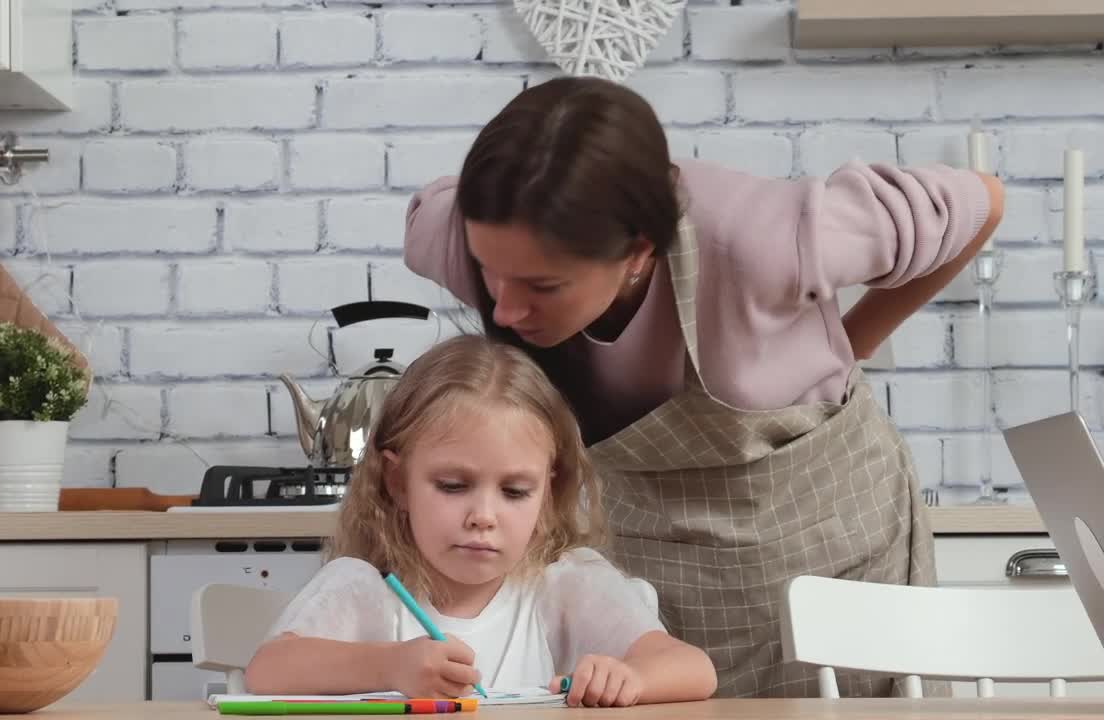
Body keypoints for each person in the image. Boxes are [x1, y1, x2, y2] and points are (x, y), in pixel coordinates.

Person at [401, 76, 1005, 698]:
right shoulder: (468, 232)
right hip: (658, 566)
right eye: (489, 273)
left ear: (637, 252)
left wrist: (853, 343)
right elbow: (428, 216)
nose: (502, 312)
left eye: (541, 286)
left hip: (833, 552)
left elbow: (982, 201)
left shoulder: (767, 238)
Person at [245, 335, 718, 707]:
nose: (483, 517)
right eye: (453, 486)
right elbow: (268, 669)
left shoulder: (565, 586)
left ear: (548, 493)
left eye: (515, 492)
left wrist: (630, 676)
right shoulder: (364, 590)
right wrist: (391, 666)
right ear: (397, 481)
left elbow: (694, 669)